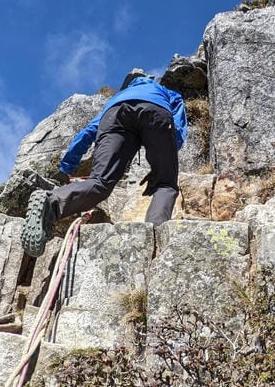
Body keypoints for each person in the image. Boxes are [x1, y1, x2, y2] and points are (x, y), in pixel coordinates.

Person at [21, 75, 187, 256]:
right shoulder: (165, 92)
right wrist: (165, 157)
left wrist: (68, 165)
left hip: (114, 114)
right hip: (156, 109)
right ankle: (155, 235)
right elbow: (178, 124)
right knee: (165, 184)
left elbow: (89, 131)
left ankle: (51, 203)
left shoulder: (117, 98)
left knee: (100, 182)